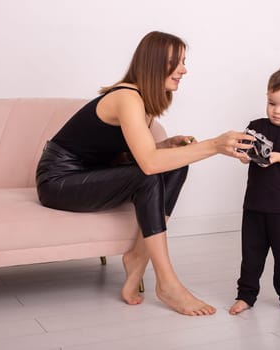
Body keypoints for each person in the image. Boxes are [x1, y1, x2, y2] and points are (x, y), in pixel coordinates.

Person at [36, 31, 255, 316]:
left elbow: (134, 152)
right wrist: (214, 145)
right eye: (175, 63)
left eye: (184, 62)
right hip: (58, 181)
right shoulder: (127, 98)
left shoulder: (143, 101)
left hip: (90, 172)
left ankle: (137, 258)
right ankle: (167, 283)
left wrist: (162, 146)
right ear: (153, 64)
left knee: (175, 165)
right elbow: (148, 165)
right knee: (149, 174)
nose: (183, 70)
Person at [229, 66, 280, 316]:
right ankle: (245, 295)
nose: (277, 111)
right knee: (251, 255)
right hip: (254, 205)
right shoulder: (256, 126)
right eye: (272, 103)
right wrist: (244, 156)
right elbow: (244, 154)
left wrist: (278, 157)